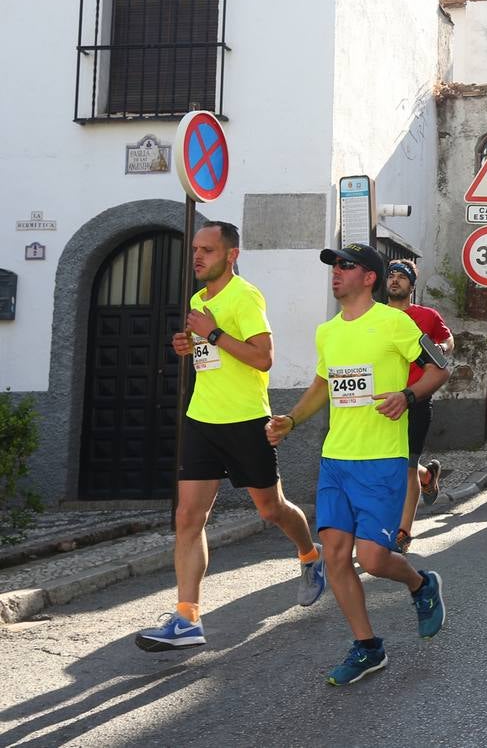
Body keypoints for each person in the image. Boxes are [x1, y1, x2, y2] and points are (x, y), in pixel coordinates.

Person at [136, 221, 325, 653]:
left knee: (270, 508)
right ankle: (187, 618)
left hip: (244, 421)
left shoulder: (246, 296)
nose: (197, 257)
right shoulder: (198, 300)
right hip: (202, 418)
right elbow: (211, 355)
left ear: (230, 255)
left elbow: (263, 358)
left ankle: (310, 556)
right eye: (195, 250)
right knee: (188, 517)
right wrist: (189, 346)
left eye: (207, 250)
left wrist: (211, 333)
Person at [266, 243, 449, 685]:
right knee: (335, 555)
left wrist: (407, 396)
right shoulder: (327, 332)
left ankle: (421, 586)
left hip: (382, 459)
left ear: (369, 277)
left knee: (373, 558)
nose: (336, 273)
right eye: (334, 266)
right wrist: (291, 419)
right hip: (336, 459)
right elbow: (322, 385)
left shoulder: (395, 323)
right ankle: (368, 647)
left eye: (346, 266)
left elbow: (440, 367)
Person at [385, 259, 452, 553]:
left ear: (412, 285)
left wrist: (443, 348)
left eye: (402, 277)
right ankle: (429, 476)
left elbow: (447, 339)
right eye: (392, 276)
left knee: (406, 467)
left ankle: (403, 533)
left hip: (417, 400)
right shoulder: (374, 316)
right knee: (392, 464)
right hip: (383, 402)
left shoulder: (426, 315)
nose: (395, 280)